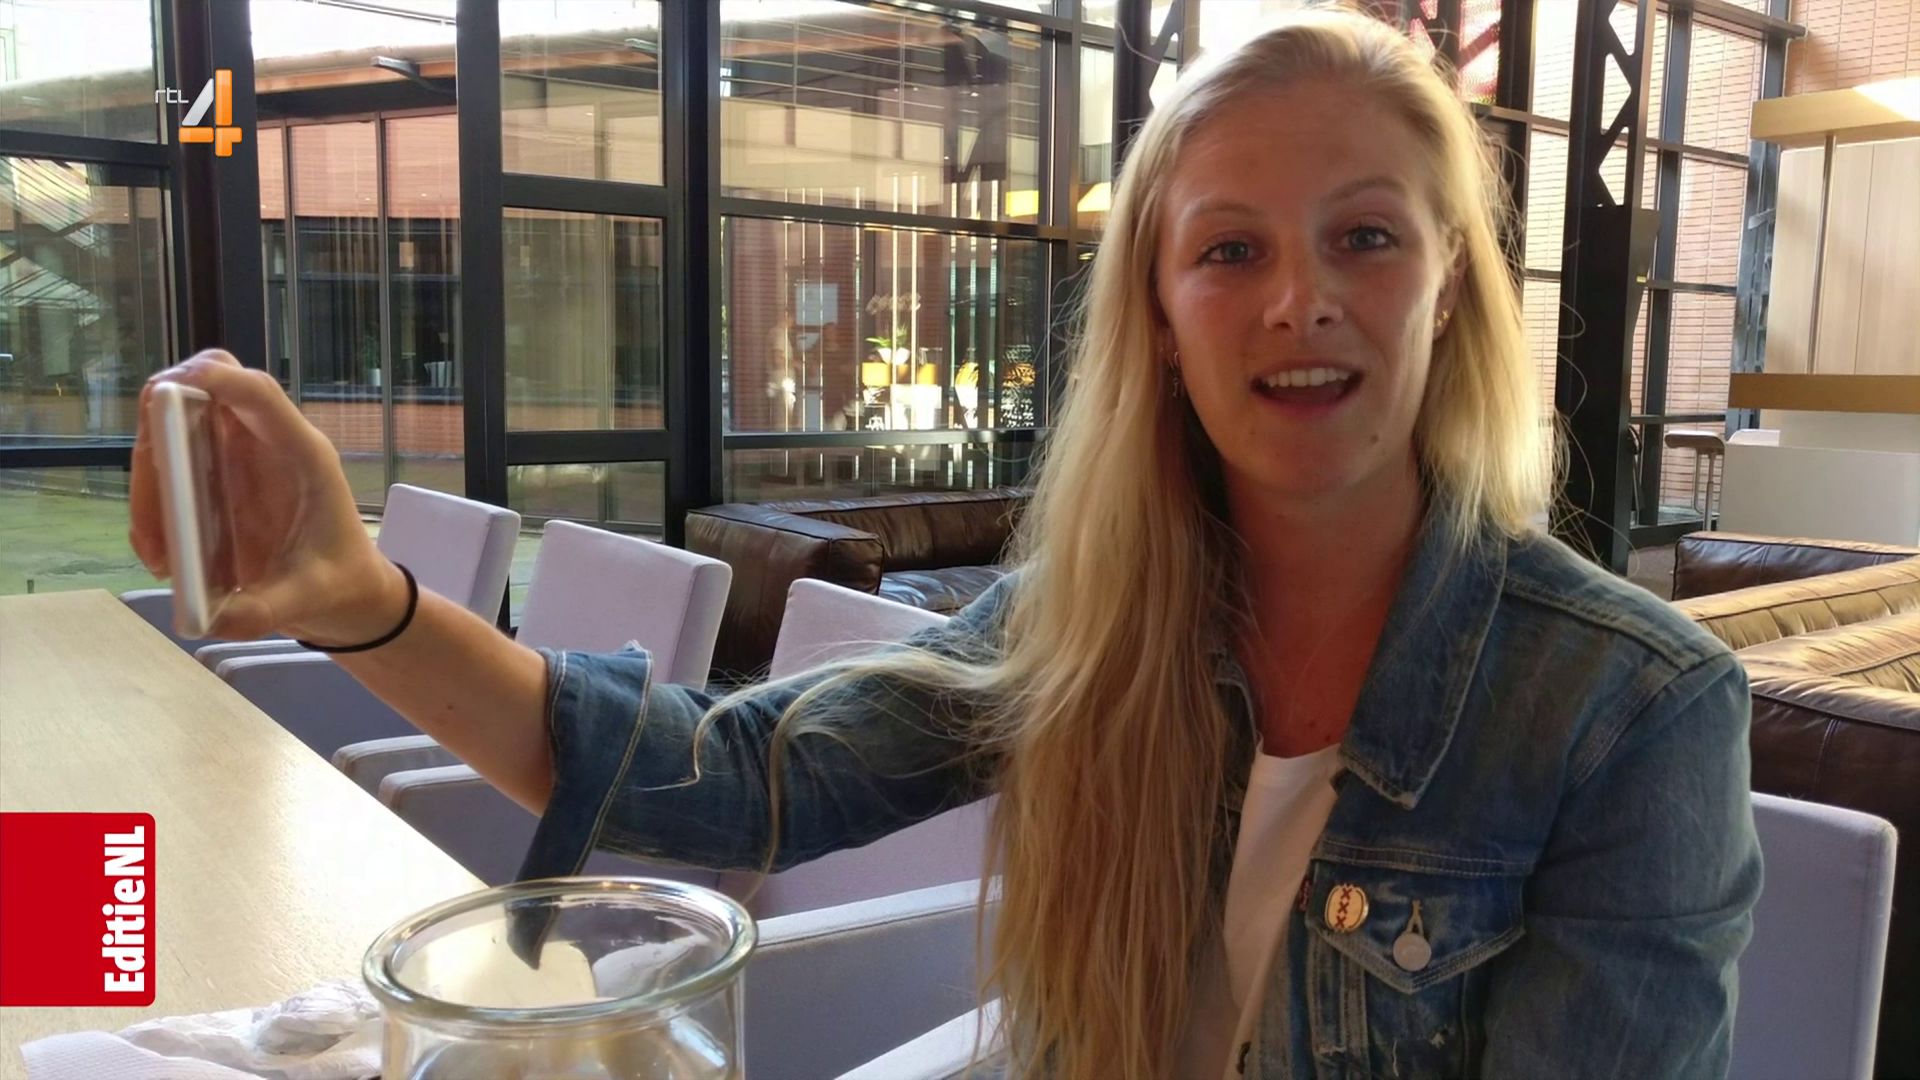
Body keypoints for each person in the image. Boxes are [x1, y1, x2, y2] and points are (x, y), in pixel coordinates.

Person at [130, 10, 1759, 1079]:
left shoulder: (1632, 714)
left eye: (1367, 236)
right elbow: (723, 780)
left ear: (1451, 286)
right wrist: (359, 601)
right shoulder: (1087, 623)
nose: (1299, 301)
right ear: (1161, 316)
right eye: (1230, 250)